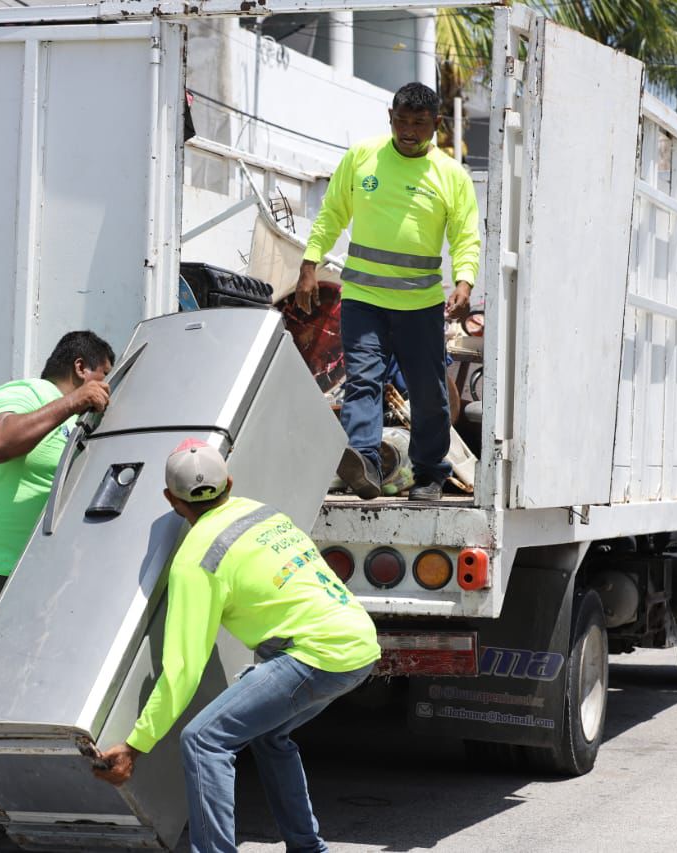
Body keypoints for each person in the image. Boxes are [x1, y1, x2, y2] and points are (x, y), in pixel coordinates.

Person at [93, 439, 380, 853]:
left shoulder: (196, 561)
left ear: (171, 501)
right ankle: (307, 848)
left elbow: (182, 670)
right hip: (357, 642)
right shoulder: (264, 513)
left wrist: (137, 745)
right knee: (269, 735)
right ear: (229, 482)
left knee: (204, 740)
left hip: (316, 654)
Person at [0, 330, 115, 852]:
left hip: (44, 572)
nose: (106, 387)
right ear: (83, 366)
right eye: (105, 375)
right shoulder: (21, 393)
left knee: (37, 700)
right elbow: (1, 444)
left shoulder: (84, 419)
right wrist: (72, 403)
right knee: (0, 701)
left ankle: (8, 820)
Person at [297, 82, 481, 502]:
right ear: (390, 117)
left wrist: (465, 280)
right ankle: (365, 463)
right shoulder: (363, 158)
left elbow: (466, 236)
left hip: (420, 306)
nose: (409, 131)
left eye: (419, 124)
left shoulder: (450, 175)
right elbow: (331, 215)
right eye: (402, 121)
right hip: (364, 301)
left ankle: (431, 472)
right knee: (364, 382)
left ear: (437, 124)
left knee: (429, 392)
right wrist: (309, 263)